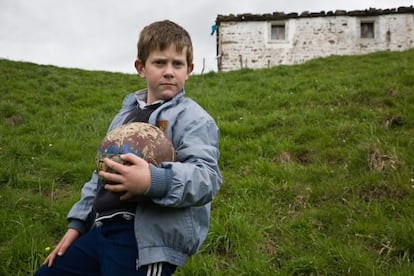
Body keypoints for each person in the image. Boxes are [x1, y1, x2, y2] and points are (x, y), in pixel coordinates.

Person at [35, 20, 222, 276]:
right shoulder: (124, 117)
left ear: (189, 70)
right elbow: (100, 174)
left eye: (177, 64)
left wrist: (153, 180)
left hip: (146, 242)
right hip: (100, 231)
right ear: (140, 67)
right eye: (159, 62)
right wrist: (76, 225)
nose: (169, 71)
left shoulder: (194, 119)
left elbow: (207, 178)